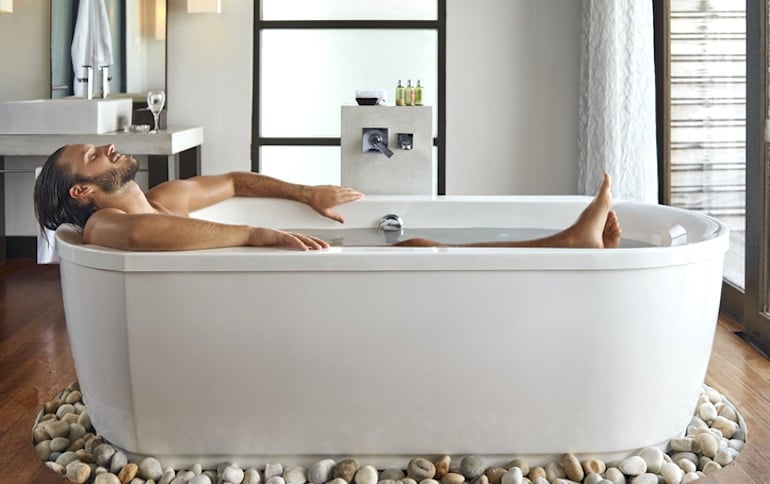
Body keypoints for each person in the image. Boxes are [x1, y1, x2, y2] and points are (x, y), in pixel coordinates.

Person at [33, 143, 621, 251]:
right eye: (93, 155)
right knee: (418, 250)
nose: (108, 147)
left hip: (269, 283)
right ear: (82, 190)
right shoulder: (101, 228)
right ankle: (568, 242)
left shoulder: (166, 199)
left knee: (418, 247)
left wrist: (306, 192)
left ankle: (568, 241)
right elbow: (141, 235)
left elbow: (234, 182)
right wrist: (257, 233)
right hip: (253, 316)